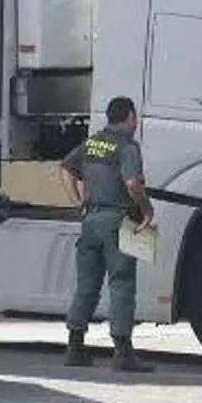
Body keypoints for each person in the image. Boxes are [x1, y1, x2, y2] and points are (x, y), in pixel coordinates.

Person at [59, 96, 156, 373]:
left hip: (90, 221)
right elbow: (132, 183)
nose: (135, 122)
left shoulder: (92, 143)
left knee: (87, 285)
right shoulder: (127, 147)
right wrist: (146, 209)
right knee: (121, 283)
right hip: (117, 221)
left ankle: (75, 347)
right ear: (128, 117)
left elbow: (66, 168)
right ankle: (123, 352)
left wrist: (77, 202)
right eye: (134, 117)